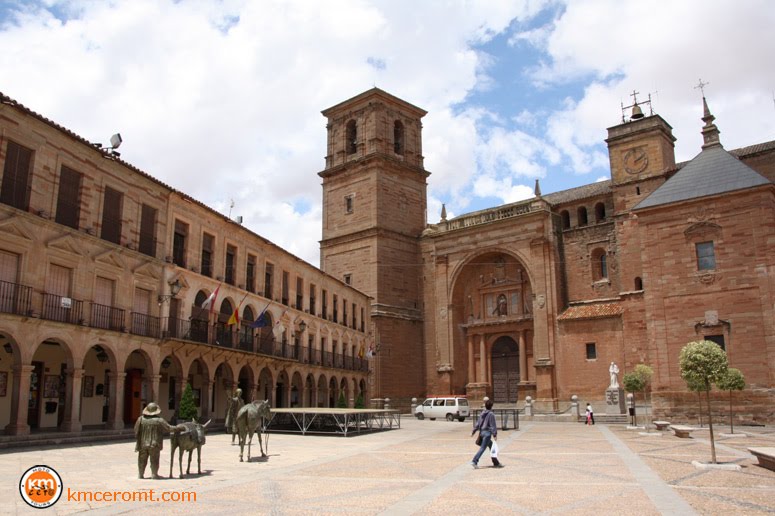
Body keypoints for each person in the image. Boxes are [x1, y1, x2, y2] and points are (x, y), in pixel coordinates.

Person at [134, 402, 184, 479]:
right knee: (154, 460)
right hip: (154, 444)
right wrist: (180, 428)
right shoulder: (159, 420)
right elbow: (169, 428)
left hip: (143, 443)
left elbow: (136, 431)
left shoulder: (140, 419)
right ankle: (154, 474)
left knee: (142, 460)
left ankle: (140, 474)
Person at [469, 399, 503, 469]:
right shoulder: (491, 414)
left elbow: (477, 423)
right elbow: (493, 425)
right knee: (482, 448)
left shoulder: (482, 413)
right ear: (491, 406)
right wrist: (495, 434)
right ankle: (474, 461)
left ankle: (496, 462)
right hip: (487, 434)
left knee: (491, 446)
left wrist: (473, 431)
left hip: (481, 432)